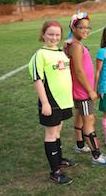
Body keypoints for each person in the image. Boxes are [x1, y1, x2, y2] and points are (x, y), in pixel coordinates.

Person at [64, 12, 106, 166]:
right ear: (73, 28)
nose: (86, 30)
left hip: (80, 90)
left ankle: (80, 145)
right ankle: (97, 156)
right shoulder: (75, 45)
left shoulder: (75, 43)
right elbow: (79, 71)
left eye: (88, 28)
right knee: (89, 119)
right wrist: (90, 91)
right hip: (82, 92)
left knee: (81, 115)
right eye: (82, 27)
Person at [29, 20, 76, 185]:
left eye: (57, 34)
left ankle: (59, 158)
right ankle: (55, 172)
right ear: (43, 35)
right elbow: (37, 80)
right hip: (51, 101)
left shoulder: (60, 52)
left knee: (58, 131)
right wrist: (45, 103)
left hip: (64, 101)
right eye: (50, 34)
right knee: (51, 134)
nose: (53, 37)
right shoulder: (40, 55)